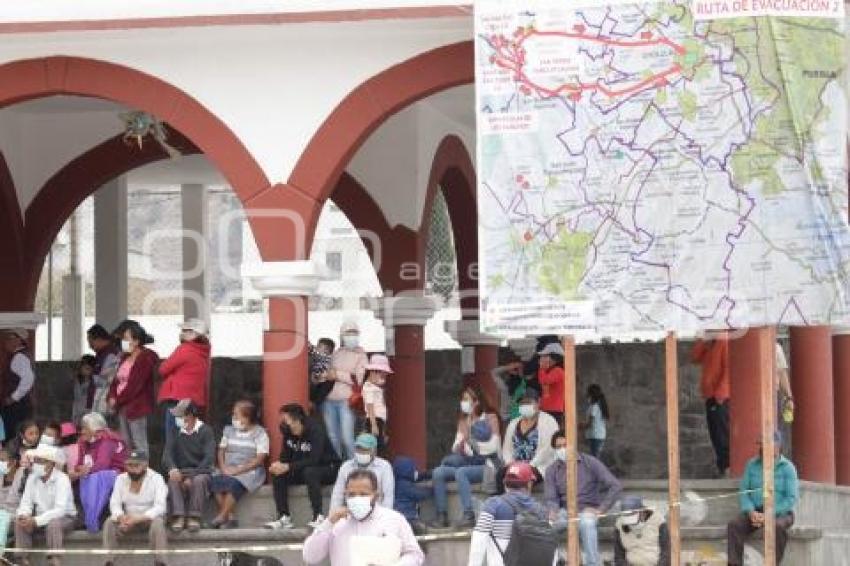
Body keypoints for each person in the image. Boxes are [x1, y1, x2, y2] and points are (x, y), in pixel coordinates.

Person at [302, 469, 424, 566]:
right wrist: (328, 523)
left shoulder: (395, 519)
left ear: (376, 495)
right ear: (345, 495)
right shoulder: (336, 524)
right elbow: (310, 557)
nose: (357, 498)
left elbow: (415, 555)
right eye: (352, 494)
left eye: (363, 494)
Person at [546, 430, 622, 566]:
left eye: (565, 445)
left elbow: (615, 485)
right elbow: (551, 497)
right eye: (558, 447)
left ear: (574, 445)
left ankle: (593, 564)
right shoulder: (552, 469)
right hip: (564, 512)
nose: (562, 449)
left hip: (587, 510)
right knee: (544, 526)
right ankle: (555, 561)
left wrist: (601, 509)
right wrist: (553, 511)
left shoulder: (590, 462)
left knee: (587, 524)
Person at [431, 386, 502, 528]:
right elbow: (456, 445)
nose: (462, 403)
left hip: (487, 463)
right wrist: (462, 446)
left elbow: (494, 446)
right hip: (467, 461)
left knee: (461, 472)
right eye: (462, 399)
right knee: (438, 472)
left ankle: (469, 514)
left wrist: (473, 445)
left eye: (466, 400)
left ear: (476, 402)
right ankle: (441, 514)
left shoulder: (490, 418)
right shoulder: (463, 421)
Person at [727, 432, 798, 565]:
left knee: (777, 527)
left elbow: (791, 498)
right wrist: (750, 511)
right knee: (734, 525)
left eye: (766, 445)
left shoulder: (788, 468)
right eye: (761, 445)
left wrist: (769, 514)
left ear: (777, 446)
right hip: (757, 510)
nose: (762, 448)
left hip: (780, 512)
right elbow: (744, 491)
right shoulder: (751, 465)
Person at [265, 403, 340, 531]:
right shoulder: (288, 433)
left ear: (297, 420)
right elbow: (285, 457)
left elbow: (314, 459)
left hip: (327, 468)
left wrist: (288, 466)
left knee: (310, 472)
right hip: (302, 469)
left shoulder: (316, 430)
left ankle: (318, 516)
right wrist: (279, 466)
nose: (283, 423)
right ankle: (284, 517)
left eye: (286, 420)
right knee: (278, 475)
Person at [468, 462, 548, 566]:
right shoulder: (539, 510)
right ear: (529, 484)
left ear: (505, 483)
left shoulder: (493, 505)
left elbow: (478, 541)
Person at [209, 400, 269, 529]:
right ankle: (230, 517)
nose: (234, 418)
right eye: (233, 415)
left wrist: (238, 471)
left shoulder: (260, 433)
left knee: (235, 483)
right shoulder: (228, 430)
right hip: (228, 466)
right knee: (214, 480)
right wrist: (224, 467)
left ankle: (222, 516)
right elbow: (221, 451)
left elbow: (259, 459)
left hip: (249, 469)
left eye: (237, 415)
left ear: (247, 417)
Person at [103, 449, 168, 566]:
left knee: (158, 523)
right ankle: (109, 561)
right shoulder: (121, 479)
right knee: (109, 523)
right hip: (128, 518)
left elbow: (160, 507)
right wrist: (121, 517)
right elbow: (114, 503)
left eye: (136, 465)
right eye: (129, 465)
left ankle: (160, 562)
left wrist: (138, 519)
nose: (132, 469)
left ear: (145, 465)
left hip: (148, 519)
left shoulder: (157, 478)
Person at [14, 445, 77, 566]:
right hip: (39, 518)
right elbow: (25, 503)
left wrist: (35, 520)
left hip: (66, 518)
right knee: (19, 521)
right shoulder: (32, 478)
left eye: (40, 461)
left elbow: (60, 510)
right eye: (36, 460)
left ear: (51, 464)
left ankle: (54, 560)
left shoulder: (62, 479)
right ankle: (22, 560)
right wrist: (24, 516)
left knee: (54, 523)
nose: (36, 464)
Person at [157, 319, 212, 450]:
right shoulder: (204, 351)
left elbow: (163, 369)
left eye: (186, 331)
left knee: (172, 437)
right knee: (190, 436)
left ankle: (173, 467)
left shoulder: (185, 349)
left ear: (194, 334)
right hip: (194, 400)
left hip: (178, 400)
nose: (182, 333)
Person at [163, 399, 215, 533]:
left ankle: (194, 517)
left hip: (201, 471)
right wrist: (172, 468)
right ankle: (178, 516)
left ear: (190, 415)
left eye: (180, 416)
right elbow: (167, 455)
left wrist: (192, 476)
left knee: (199, 480)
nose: (177, 419)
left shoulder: (206, 431)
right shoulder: (175, 432)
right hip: (181, 470)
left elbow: (208, 458)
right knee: (173, 480)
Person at [70, 412, 127, 533]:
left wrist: (85, 471)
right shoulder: (82, 441)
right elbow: (78, 464)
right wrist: (79, 471)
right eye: (82, 428)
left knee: (98, 477)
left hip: (114, 475)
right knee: (75, 479)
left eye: (85, 428)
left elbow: (102, 464)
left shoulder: (109, 439)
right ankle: (85, 518)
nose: (82, 431)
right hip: (91, 475)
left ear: (95, 428)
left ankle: (95, 518)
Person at [107, 322, 158, 453]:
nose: (122, 342)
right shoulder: (125, 357)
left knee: (139, 443)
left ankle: (143, 471)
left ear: (136, 341)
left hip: (137, 407)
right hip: (122, 406)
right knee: (125, 443)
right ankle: (128, 471)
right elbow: (115, 381)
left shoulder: (145, 358)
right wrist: (112, 396)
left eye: (125, 339)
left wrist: (116, 401)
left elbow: (135, 386)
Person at [498, 389, 558, 493]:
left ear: (538, 402)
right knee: (500, 475)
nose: (525, 405)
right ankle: (503, 505)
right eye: (522, 403)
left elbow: (548, 449)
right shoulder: (514, 423)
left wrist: (530, 465)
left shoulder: (549, 421)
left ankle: (522, 506)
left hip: (538, 465)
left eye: (528, 402)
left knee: (521, 478)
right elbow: (507, 448)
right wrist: (510, 463)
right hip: (515, 464)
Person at [324, 321, 368, 460]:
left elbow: (358, 379)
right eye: (348, 333)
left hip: (347, 401)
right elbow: (327, 372)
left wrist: (337, 374)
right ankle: (336, 468)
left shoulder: (361, 355)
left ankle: (353, 466)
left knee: (347, 438)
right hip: (329, 401)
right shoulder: (336, 354)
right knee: (332, 437)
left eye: (354, 333)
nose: (351, 336)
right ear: (342, 336)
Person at [691, 334, 730, 477]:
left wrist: (721, 393)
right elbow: (695, 357)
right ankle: (722, 467)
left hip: (721, 397)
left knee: (722, 434)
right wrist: (702, 339)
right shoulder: (710, 342)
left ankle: (727, 467)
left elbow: (728, 369)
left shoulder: (724, 341)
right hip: (710, 395)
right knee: (715, 434)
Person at [330, 433, 394, 509]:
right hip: (351, 511)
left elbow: (388, 496)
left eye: (365, 450)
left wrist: (385, 517)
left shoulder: (384, 467)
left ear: (374, 451)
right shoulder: (346, 466)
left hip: (376, 512)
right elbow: (338, 494)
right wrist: (334, 514)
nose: (361, 452)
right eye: (358, 449)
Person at [614, 495, 671, 566]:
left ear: (641, 512)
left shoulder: (658, 521)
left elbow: (665, 552)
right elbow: (619, 555)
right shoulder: (619, 524)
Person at [1, 329, 36, 444]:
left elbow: (28, 379)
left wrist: (13, 398)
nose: (5, 342)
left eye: (9, 339)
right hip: (19, 405)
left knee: (13, 435)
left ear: (18, 340)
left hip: (17, 406)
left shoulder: (19, 357)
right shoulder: (20, 356)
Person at [490, 352, 539, 422]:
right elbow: (494, 372)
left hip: (524, 418)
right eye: (515, 369)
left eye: (519, 368)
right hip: (508, 418)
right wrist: (509, 367)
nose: (517, 370)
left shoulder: (528, 384)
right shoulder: (505, 386)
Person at [86, 324, 122, 418]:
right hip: (98, 401)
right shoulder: (100, 354)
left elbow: (108, 380)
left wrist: (93, 376)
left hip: (105, 402)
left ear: (99, 339)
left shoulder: (111, 354)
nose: (90, 346)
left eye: (91, 342)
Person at [392, 456, 431, 535]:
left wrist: (426, 474)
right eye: (413, 469)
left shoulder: (397, 482)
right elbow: (420, 495)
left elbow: (417, 477)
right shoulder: (406, 486)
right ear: (408, 471)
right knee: (424, 531)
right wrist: (432, 490)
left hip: (399, 517)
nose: (415, 471)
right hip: (408, 518)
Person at [362, 354, 392, 454]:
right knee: (377, 447)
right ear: (373, 372)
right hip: (374, 420)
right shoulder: (369, 387)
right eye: (382, 375)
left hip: (378, 420)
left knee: (379, 445)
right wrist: (374, 425)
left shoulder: (373, 386)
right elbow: (370, 406)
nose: (384, 378)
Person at [537, 343, 565, 425]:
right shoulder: (552, 371)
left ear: (552, 358)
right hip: (548, 409)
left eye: (544, 356)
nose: (541, 359)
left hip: (553, 410)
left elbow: (544, 380)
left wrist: (541, 368)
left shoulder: (558, 371)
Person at [308, 339, 336, 412]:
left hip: (322, 380)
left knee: (321, 389)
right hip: (317, 379)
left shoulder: (327, 357)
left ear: (327, 350)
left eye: (319, 346)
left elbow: (314, 353)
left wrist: (310, 346)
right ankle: (313, 403)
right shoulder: (318, 356)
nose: (317, 347)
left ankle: (314, 403)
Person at [583, 384, 609, 458]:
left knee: (594, 459)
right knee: (596, 457)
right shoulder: (599, 406)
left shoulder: (594, 407)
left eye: (587, 393)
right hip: (599, 435)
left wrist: (580, 426)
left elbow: (590, 423)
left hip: (595, 436)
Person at [71, 355, 96, 425]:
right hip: (77, 414)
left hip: (89, 415)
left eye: (88, 368)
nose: (84, 370)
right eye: (82, 367)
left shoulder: (95, 383)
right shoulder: (77, 381)